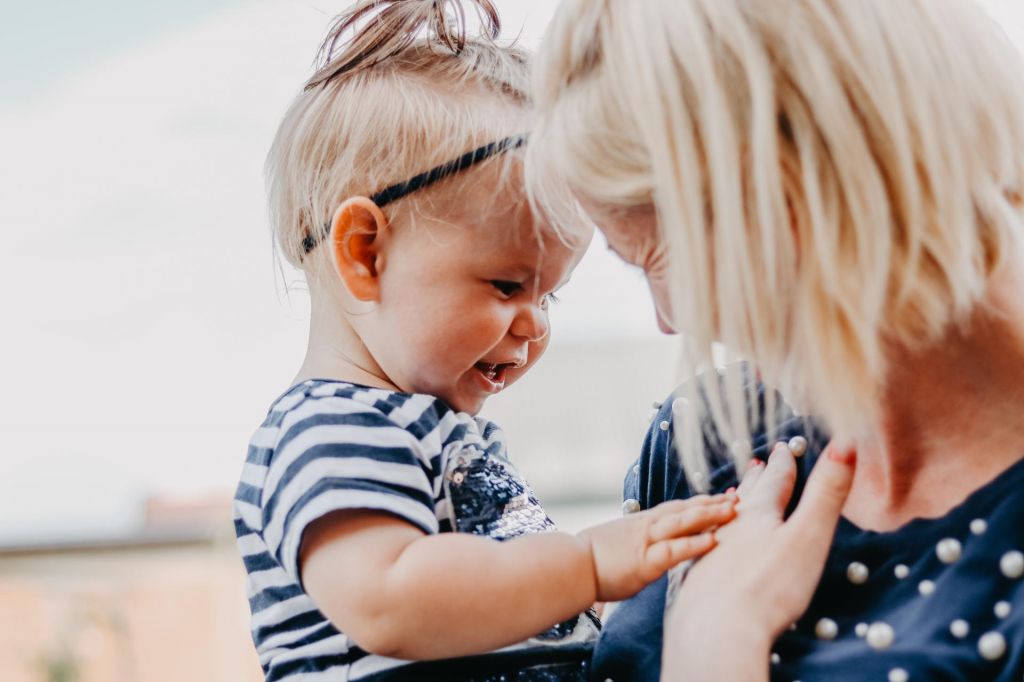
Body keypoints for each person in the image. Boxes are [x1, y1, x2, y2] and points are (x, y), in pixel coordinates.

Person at [232, 2, 737, 680]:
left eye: (548, 295)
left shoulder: (424, 431)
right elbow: (391, 600)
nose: (535, 325)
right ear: (364, 254)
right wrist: (586, 564)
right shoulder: (329, 430)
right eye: (506, 285)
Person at [527, 0, 1024, 679]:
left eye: (655, 261)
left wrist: (715, 653)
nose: (668, 323)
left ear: (784, 200)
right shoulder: (696, 440)